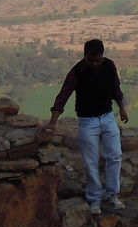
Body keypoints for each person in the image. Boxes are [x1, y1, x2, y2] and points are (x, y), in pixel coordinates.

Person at [46, 38, 129, 214]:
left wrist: (122, 108)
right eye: (92, 60)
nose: (95, 63)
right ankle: (94, 199)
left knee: (115, 155)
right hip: (87, 121)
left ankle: (112, 194)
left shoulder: (109, 66)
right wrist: (53, 122)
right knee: (91, 161)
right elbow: (63, 96)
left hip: (107, 117)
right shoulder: (77, 72)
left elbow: (116, 88)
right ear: (85, 56)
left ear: (102, 56)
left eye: (98, 60)